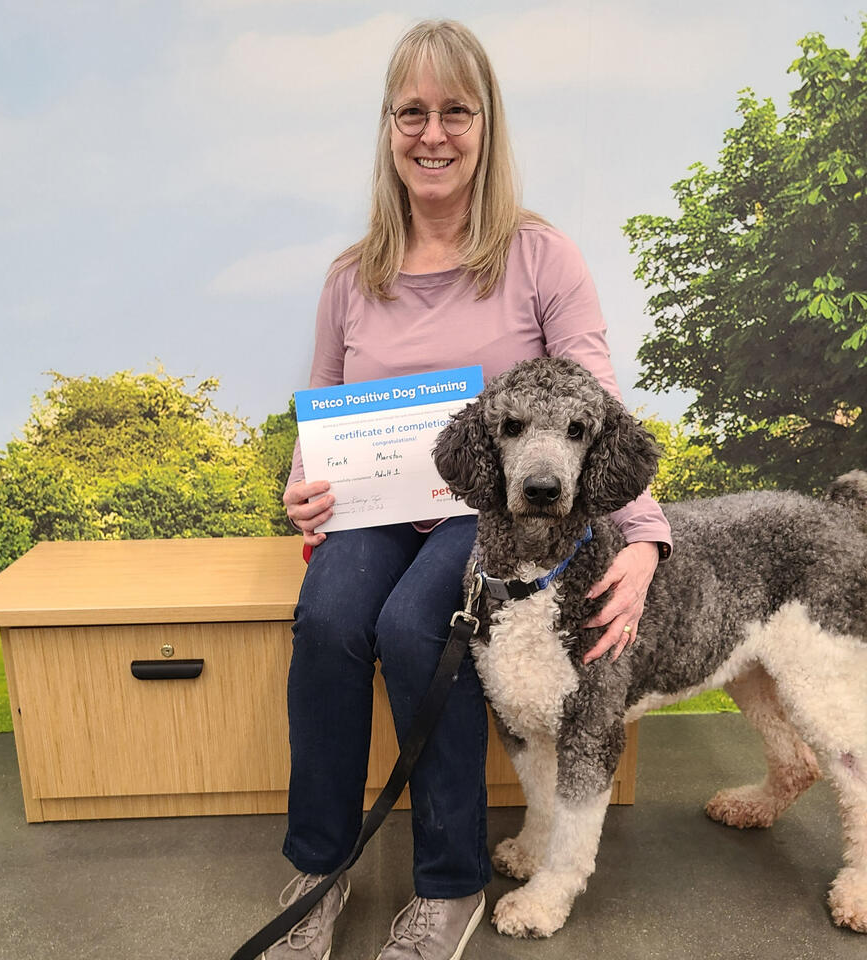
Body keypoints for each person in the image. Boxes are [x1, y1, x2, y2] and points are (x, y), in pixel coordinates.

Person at [271, 19, 672, 960]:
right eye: (412, 112)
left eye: (457, 111)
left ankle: (448, 885)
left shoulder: (541, 257)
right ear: (388, 127)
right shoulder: (350, 275)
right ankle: (316, 870)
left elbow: (598, 407)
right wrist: (303, 490)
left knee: (418, 628)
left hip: (491, 522)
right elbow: (320, 410)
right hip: (374, 514)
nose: (433, 134)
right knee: (329, 617)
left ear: (487, 125)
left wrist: (646, 538)